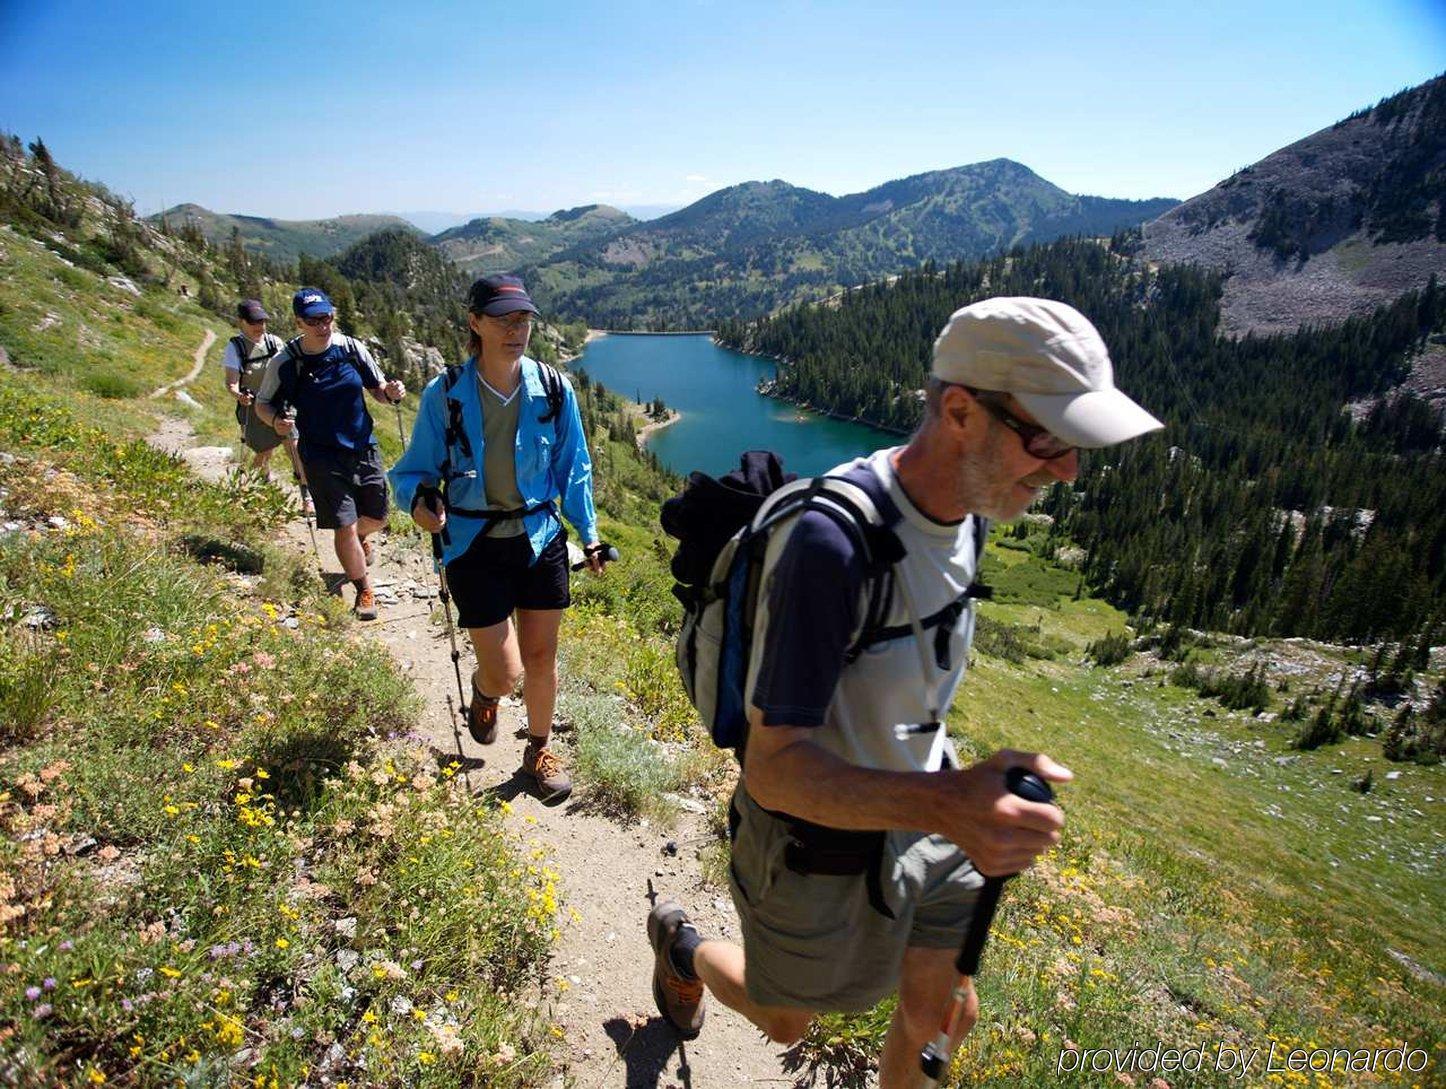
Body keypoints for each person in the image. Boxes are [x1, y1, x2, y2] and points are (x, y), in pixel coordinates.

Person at [645, 297, 1164, 1086]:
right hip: (813, 840)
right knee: (787, 1020)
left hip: (933, 809)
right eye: (1047, 439)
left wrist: (951, 801)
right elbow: (773, 770)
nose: (1067, 469)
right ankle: (683, 947)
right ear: (959, 410)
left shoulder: (970, 513)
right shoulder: (829, 544)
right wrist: (950, 803)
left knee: (942, 1014)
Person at [389, 274, 605, 803]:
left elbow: (573, 467)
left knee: (540, 657)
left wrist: (591, 534)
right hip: (472, 541)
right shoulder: (446, 395)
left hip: (539, 535)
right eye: (504, 319)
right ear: (475, 323)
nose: (516, 330)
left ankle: (537, 750)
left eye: (524, 319)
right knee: (505, 670)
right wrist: (419, 503)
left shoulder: (554, 390)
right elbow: (412, 471)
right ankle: (487, 692)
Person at [254, 288, 405, 621]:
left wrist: (390, 393)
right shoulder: (286, 362)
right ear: (299, 322)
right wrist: (276, 422)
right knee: (344, 526)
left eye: (327, 318)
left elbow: (377, 390)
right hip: (321, 455)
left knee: (378, 517)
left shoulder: (351, 349)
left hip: (363, 447)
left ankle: (361, 537)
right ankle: (363, 588)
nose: (323, 326)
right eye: (313, 320)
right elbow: (263, 403)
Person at [221, 299, 313, 514]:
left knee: (295, 447)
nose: (259, 326)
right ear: (241, 322)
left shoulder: (274, 343)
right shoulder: (235, 347)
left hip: (281, 404)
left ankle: (307, 496)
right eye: (254, 322)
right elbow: (231, 381)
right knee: (264, 451)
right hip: (253, 407)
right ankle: (258, 481)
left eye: (262, 321)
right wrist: (237, 395)